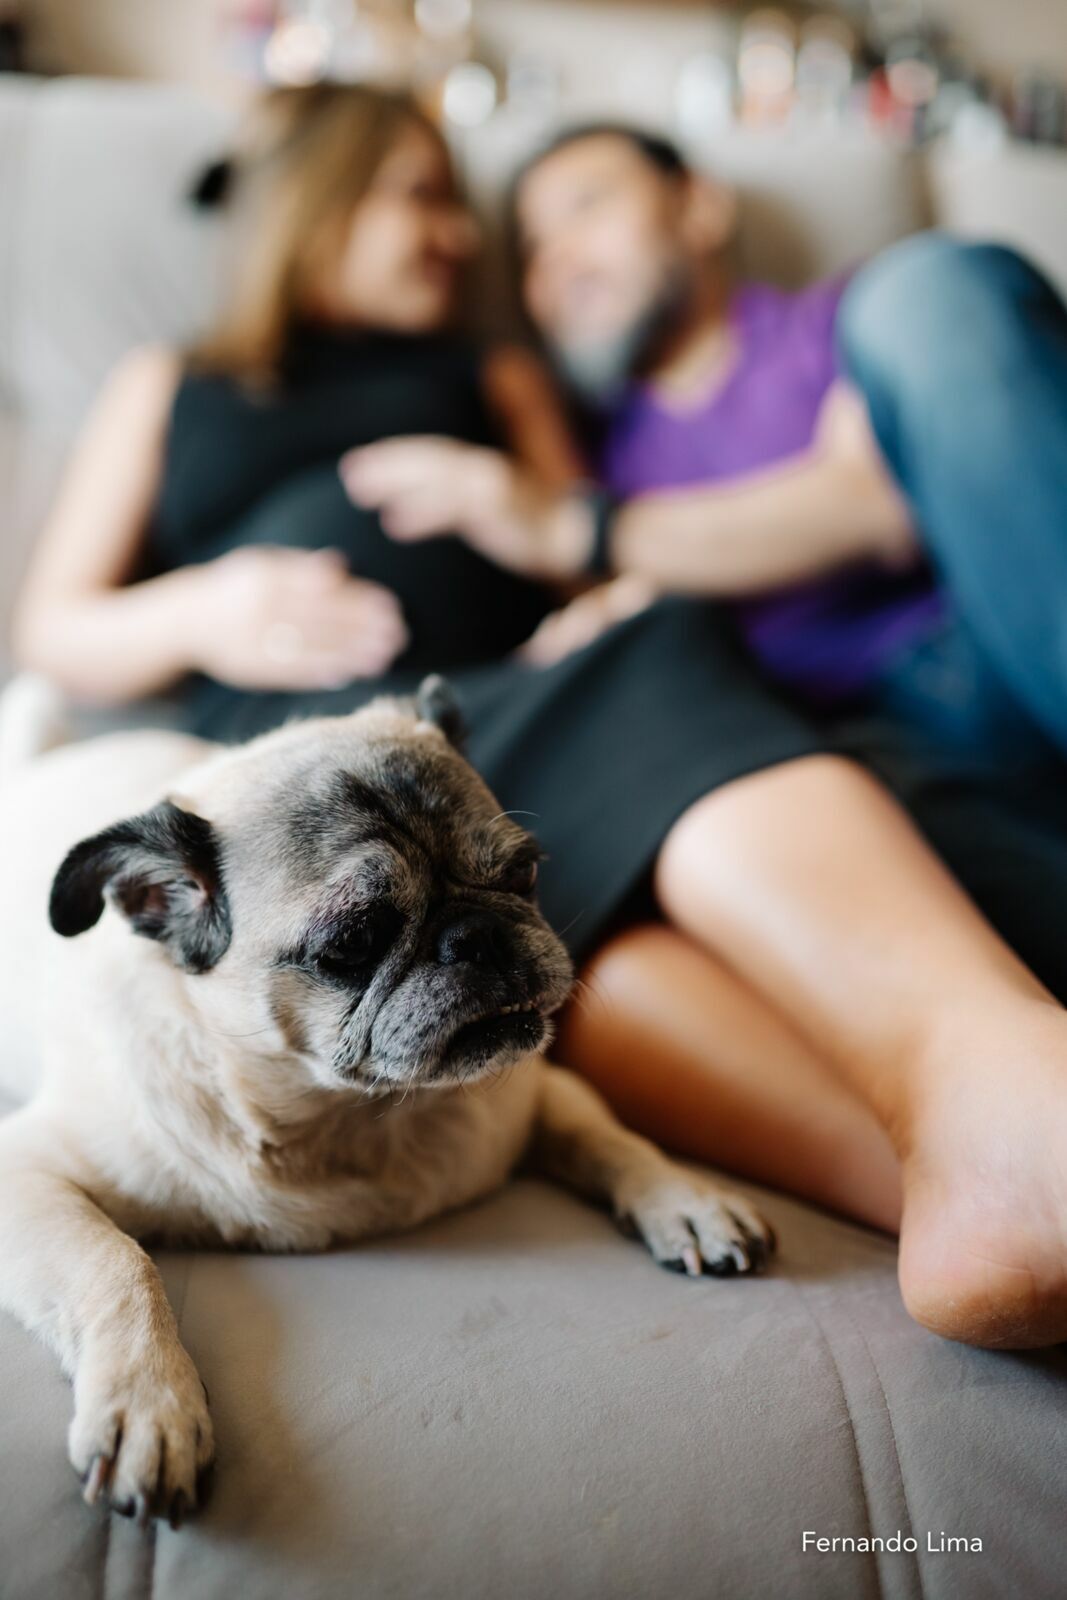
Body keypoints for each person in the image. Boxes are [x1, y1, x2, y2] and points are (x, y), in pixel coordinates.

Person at [12, 93, 1067, 1349]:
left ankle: (978, 1124)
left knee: (645, 667)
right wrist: (201, 606)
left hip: (466, 730)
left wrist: (581, 602)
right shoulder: (173, 384)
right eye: (420, 194)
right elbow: (52, 621)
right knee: (596, 906)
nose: (458, 236)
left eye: (460, 208)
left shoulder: (491, 371)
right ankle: (968, 1163)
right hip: (280, 777)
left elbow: (580, 552)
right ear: (315, 202)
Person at [338, 123, 1067, 1349]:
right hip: (871, 775)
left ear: (700, 208)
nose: (554, 261)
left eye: (585, 207)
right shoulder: (591, 453)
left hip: (1000, 651)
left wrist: (581, 530)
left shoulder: (842, 329)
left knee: (934, 286)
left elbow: (870, 507)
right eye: (531, 248)